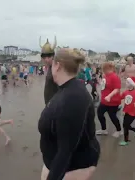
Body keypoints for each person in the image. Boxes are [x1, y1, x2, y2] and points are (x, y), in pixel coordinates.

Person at [39, 48, 100, 180]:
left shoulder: (74, 97)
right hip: (55, 161)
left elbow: (66, 150)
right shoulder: (66, 89)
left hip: (74, 166)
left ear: (57, 65)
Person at [96, 62, 122, 137]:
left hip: (113, 101)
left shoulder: (114, 77)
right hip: (104, 100)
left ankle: (119, 130)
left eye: (104, 69)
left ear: (109, 69)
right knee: (100, 113)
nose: (103, 71)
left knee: (112, 116)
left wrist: (109, 96)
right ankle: (103, 130)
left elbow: (117, 89)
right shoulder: (105, 76)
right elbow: (104, 85)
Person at [39, 36, 59, 105]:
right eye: (44, 57)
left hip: (54, 105)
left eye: (48, 57)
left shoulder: (57, 68)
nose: (46, 59)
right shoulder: (51, 67)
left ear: (53, 56)